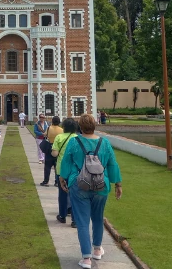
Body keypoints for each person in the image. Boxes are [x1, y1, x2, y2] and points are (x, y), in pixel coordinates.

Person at [59, 114, 122, 266]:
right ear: (95, 125)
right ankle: (97, 249)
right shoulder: (104, 143)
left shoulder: (75, 142)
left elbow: (66, 161)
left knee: (82, 221)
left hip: (79, 184)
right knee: (98, 218)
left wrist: (63, 177)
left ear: (80, 127)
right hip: (101, 186)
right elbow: (112, 164)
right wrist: (118, 184)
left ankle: (86, 257)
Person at [52, 118, 78, 225]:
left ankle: (62, 215)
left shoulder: (59, 137)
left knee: (62, 193)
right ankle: (75, 220)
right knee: (75, 194)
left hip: (61, 169)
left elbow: (54, 153)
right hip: (75, 170)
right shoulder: (78, 138)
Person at [41, 116, 63, 186]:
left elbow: (45, 135)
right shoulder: (61, 130)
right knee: (57, 166)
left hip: (49, 148)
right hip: (58, 149)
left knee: (47, 166)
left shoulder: (49, 128)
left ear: (52, 121)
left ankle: (46, 181)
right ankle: (57, 181)